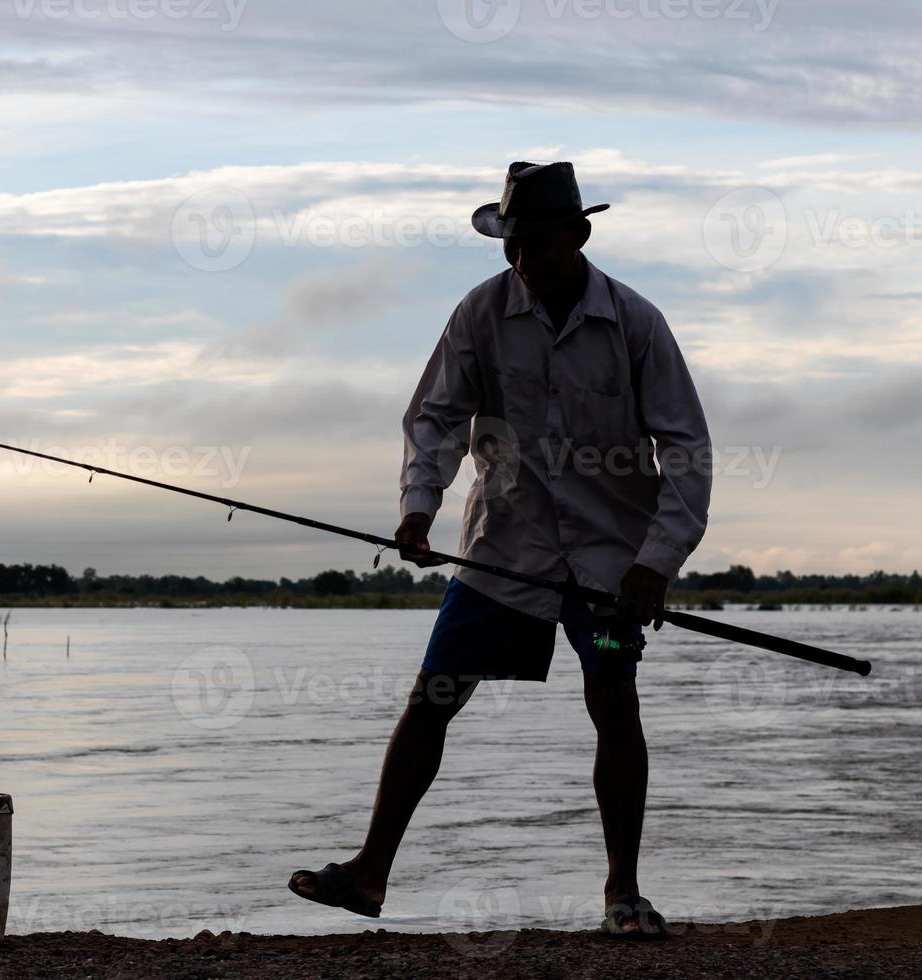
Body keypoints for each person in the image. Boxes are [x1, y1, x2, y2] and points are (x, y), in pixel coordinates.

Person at [288, 161, 712, 939]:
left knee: (612, 700)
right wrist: (419, 506)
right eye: (511, 246)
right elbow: (436, 420)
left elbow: (684, 446)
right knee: (433, 699)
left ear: (577, 236)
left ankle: (623, 892)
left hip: (612, 560)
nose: (523, 262)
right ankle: (370, 874)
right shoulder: (480, 315)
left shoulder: (635, 322)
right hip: (502, 548)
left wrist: (656, 561)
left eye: (538, 245)